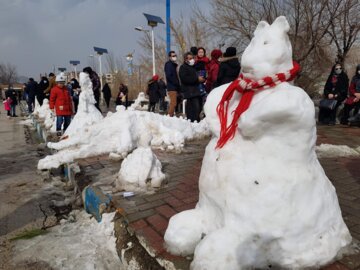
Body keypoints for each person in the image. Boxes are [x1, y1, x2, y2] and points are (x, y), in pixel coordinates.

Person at [179, 52, 204, 122]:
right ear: (185, 59)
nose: (192, 60)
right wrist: (197, 78)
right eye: (190, 58)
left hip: (196, 91)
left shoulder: (193, 68)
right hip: (189, 92)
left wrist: (201, 79)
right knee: (193, 110)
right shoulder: (183, 67)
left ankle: (196, 122)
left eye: (192, 58)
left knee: (198, 109)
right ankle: (192, 123)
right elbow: (184, 79)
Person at [164, 50, 181, 117]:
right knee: (173, 102)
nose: (175, 57)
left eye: (175, 55)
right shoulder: (168, 64)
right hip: (172, 87)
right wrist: (176, 82)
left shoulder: (174, 65)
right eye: (173, 56)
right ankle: (169, 115)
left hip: (175, 87)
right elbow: (169, 76)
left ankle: (174, 113)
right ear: (170, 57)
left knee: (176, 101)